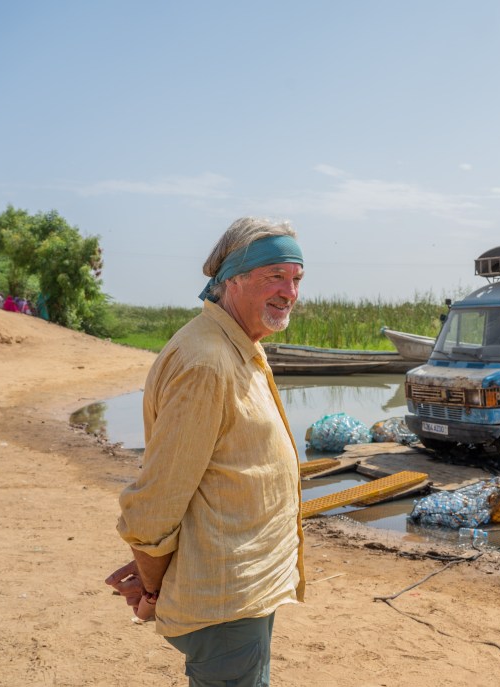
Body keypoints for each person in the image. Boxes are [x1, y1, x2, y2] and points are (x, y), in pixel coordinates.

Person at [105, 217, 305, 687]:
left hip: (238, 589)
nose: (289, 292)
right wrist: (153, 584)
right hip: (225, 598)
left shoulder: (237, 347)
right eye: (274, 276)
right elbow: (155, 502)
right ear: (231, 280)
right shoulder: (207, 363)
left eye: (296, 279)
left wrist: (155, 569)